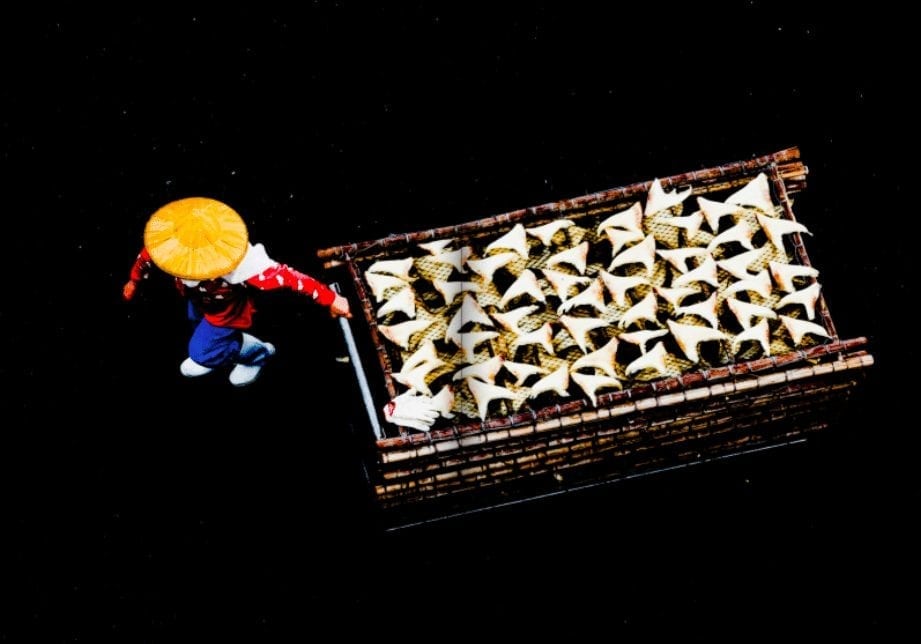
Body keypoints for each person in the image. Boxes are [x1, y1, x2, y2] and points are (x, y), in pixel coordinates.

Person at [123, 197, 351, 386]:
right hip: (199, 299)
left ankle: (257, 354)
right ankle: (219, 346)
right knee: (196, 323)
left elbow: (290, 278)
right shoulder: (170, 244)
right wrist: (134, 281)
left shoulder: (243, 266)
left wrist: (331, 298)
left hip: (227, 311)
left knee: (201, 353)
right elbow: (146, 257)